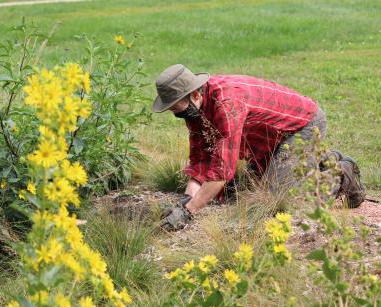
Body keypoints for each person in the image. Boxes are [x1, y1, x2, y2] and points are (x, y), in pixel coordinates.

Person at [153, 64, 363, 231]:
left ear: (195, 96)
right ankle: (321, 160)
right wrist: (188, 199)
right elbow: (201, 159)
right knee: (247, 190)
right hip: (269, 139)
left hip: (301, 126)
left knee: (281, 200)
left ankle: (343, 173)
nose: (176, 115)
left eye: (177, 109)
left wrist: (189, 212)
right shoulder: (195, 110)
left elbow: (221, 172)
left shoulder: (227, 103)